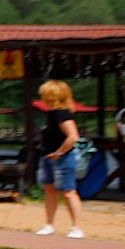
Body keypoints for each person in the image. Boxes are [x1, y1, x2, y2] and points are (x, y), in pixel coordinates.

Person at [34, 79, 86, 238]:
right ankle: (49, 224)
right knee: (49, 190)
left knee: (69, 192)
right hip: (47, 157)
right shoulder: (50, 113)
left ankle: (76, 227)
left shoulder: (62, 114)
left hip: (62, 158)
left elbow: (73, 137)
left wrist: (59, 153)